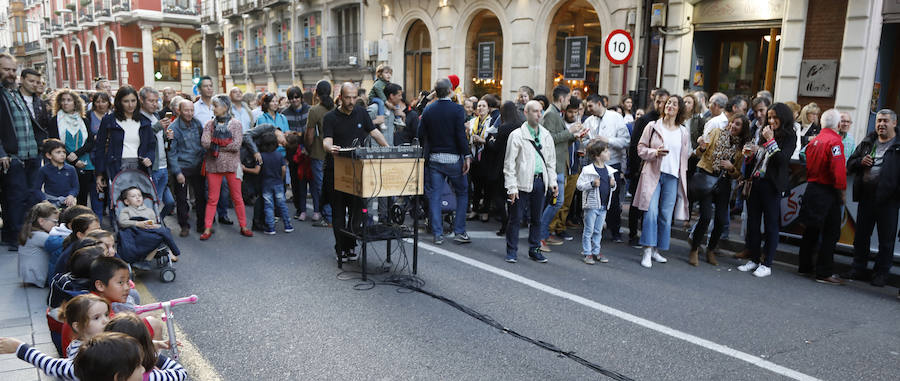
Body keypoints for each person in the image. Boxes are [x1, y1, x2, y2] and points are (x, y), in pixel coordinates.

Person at [322, 82, 390, 260]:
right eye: (347, 98)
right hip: (336, 170)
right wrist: (330, 148)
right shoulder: (330, 117)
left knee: (357, 210)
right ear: (340, 98)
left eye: (354, 97)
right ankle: (340, 249)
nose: (351, 101)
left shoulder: (361, 112)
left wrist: (389, 149)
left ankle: (351, 245)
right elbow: (326, 140)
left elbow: (374, 132)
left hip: (358, 170)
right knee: (338, 212)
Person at [736, 103, 797, 278]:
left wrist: (770, 141)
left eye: (774, 117)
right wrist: (753, 154)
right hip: (756, 182)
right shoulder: (763, 132)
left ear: (783, 118)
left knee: (771, 224)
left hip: (772, 185)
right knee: (753, 223)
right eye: (769, 117)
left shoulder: (790, 135)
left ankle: (767, 263)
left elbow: (781, 160)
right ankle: (754, 258)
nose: (771, 121)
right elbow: (760, 158)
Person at [633, 95, 691, 268]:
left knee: (666, 216)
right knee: (651, 212)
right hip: (653, 174)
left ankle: (658, 250)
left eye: (674, 104)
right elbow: (640, 149)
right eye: (668, 103)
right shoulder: (652, 126)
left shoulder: (683, 132)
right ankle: (647, 250)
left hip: (673, 177)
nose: (670, 106)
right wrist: (654, 153)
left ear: (679, 109)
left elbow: (685, 157)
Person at [844, 109, 899, 287]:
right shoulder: (868, 141)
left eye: (885, 121)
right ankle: (858, 268)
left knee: (886, 240)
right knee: (861, 236)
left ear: (894, 124)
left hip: (889, 200)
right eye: (878, 121)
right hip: (866, 197)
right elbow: (850, 164)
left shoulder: (898, 146)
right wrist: (860, 162)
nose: (881, 124)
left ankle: (881, 273)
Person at [688, 114, 750, 266]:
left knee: (721, 220)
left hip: (724, 182)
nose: (733, 126)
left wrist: (731, 168)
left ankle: (710, 250)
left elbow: (738, 174)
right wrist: (701, 148)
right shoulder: (716, 132)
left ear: (743, 129)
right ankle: (694, 249)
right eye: (732, 122)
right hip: (706, 177)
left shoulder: (741, 147)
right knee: (705, 216)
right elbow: (696, 154)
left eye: (738, 125)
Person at [418, 78, 472, 245]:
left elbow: (420, 134)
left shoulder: (429, 109)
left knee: (435, 195)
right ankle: (459, 231)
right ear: (450, 91)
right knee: (462, 192)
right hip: (453, 158)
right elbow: (460, 136)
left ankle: (437, 233)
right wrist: (467, 155)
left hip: (434, 158)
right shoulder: (457, 110)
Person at [503, 100, 558, 263]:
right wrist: (511, 187)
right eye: (535, 111)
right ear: (526, 113)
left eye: (540, 111)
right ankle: (511, 251)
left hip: (540, 181)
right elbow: (509, 164)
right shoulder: (517, 135)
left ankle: (534, 249)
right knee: (515, 218)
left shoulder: (546, 135)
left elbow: (551, 162)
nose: (539, 114)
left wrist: (552, 182)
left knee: (537, 219)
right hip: (520, 183)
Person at [797, 109, 847, 284]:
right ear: (838, 124)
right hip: (827, 191)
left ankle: (804, 266)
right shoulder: (835, 142)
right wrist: (841, 192)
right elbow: (838, 171)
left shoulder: (815, 140)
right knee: (831, 233)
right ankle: (824, 272)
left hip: (812, 188)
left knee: (811, 230)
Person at [0, 53, 44, 250]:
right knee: (15, 199)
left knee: (28, 197)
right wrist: (2, 152)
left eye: (13, 70)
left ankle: (24, 234)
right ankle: (15, 238)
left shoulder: (13, 92)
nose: (11, 74)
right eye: (6, 69)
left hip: (31, 154)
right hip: (13, 156)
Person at [199, 95, 251, 240]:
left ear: (225, 107)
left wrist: (215, 145)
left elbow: (236, 145)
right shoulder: (209, 124)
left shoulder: (236, 124)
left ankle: (244, 225)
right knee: (212, 198)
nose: (213, 108)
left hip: (232, 166)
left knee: (237, 197)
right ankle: (207, 227)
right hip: (213, 166)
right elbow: (204, 143)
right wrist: (224, 144)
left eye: (216, 106)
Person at [93, 86, 156, 204]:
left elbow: (151, 146)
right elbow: (100, 147)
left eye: (133, 101)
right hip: (116, 165)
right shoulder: (109, 120)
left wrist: (149, 158)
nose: (130, 105)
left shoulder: (144, 121)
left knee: (139, 202)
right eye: (126, 101)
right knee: (118, 202)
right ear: (119, 102)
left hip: (139, 166)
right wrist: (99, 173)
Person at [539, 85, 584, 250]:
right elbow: (548, 138)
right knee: (556, 203)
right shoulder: (551, 114)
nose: (569, 101)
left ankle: (543, 234)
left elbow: (560, 140)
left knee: (556, 202)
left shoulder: (555, 113)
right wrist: (570, 131)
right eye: (568, 98)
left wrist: (574, 136)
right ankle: (540, 237)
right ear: (561, 99)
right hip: (554, 166)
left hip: (559, 165)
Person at [581, 94, 630, 243]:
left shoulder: (615, 118)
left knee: (612, 199)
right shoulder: (589, 120)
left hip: (611, 163)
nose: (588, 109)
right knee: (593, 197)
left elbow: (625, 141)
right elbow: (584, 140)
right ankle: (593, 229)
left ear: (599, 104)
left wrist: (607, 140)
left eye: (590, 106)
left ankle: (615, 230)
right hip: (594, 164)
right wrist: (590, 143)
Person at [626, 88, 669, 247]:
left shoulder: (669, 122)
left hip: (660, 168)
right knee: (637, 203)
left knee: (651, 204)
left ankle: (647, 234)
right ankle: (632, 234)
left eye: (664, 102)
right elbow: (635, 145)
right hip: (642, 167)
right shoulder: (645, 120)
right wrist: (634, 168)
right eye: (658, 101)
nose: (661, 105)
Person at [48, 89, 97, 211]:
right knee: (64, 199)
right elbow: (54, 143)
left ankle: (80, 223)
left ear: (75, 103)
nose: (65, 103)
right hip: (62, 163)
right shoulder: (55, 121)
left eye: (69, 100)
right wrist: (72, 159)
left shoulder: (84, 120)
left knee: (82, 199)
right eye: (63, 100)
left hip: (84, 163)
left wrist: (77, 155)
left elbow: (90, 142)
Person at [167, 100, 207, 237]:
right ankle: (184, 225)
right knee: (182, 199)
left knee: (201, 197)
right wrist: (177, 172)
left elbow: (202, 142)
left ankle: (202, 225)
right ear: (179, 110)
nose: (189, 113)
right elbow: (171, 153)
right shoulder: (174, 127)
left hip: (198, 165)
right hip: (182, 166)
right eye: (186, 110)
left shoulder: (197, 123)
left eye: (191, 110)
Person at [576, 141, 617, 265]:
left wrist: (613, 184)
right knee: (589, 230)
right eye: (605, 151)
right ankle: (587, 252)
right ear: (597, 155)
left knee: (598, 230)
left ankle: (596, 251)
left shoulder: (609, 170)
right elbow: (579, 185)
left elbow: (612, 187)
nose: (608, 153)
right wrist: (591, 184)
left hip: (603, 205)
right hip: (591, 206)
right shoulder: (588, 170)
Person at [485, 102, 522, 236]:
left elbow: (496, 147)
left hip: (501, 164)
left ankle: (505, 223)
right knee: (513, 196)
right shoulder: (521, 126)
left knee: (498, 195)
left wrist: (490, 140)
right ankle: (513, 223)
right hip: (517, 165)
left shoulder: (504, 127)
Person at [137, 87, 174, 218]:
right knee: (154, 201)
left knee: (169, 203)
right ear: (141, 100)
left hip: (164, 165)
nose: (155, 104)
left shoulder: (156, 115)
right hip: (153, 167)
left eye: (156, 100)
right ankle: (154, 226)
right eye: (151, 101)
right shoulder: (139, 118)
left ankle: (158, 221)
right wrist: (158, 126)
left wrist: (167, 136)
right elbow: (141, 138)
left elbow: (159, 138)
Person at [305, 81, 334, 226]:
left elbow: (309, 134)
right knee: (334, 184)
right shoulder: (336, 108)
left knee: (321, 185)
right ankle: (333, 215)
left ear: (316, 92)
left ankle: (328, 216)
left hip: (319, 152)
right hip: (335, 152)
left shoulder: (314, 110)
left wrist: (309, 148)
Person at [467, 95, 498, 222]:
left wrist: (483, 140)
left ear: (488, 108)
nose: (480, 108)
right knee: (476, 185)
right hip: (475, 157)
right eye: (479, 106)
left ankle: (485, 210)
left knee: (487, 186)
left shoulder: (492, 121)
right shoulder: (473, 121)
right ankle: (474, 209)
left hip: (486, 156)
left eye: (483, 106)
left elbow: (493, 139)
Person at [258, 133, 294, 234]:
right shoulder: (279, 155)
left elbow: (258, 170)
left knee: (268, 206)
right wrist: (281, 178)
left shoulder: (262, 156)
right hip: (278, 182)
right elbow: (283, 169)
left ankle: (270, 227)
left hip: (266, 183)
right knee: (282, 204)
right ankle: (287, 225)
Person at [18, 202, 58, 287]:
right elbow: (60, 243)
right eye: (54, 222)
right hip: (38, 278)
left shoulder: (31, 232)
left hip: (30, 277)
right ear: (41, 221)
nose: (56, 225)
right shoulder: (39, 236)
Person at [59, 293, 111, 358]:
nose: (106, 320)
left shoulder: (103, 340)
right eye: (96, 318)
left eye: (106, 315)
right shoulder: (79, 352)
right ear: (77, 327)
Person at [35, 139, 79, 208]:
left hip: (68, 202)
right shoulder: (44, 170)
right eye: (58, 152)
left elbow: (75, 187)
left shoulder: (71, 169)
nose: (62, 155)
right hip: (50, 202)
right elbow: (37, 189)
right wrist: (44, 200)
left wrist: (71, 195)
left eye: (64, 152)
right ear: (49, 155)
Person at [18, 68, 51, 141]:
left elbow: (45, 125)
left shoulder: (40, 103)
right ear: (22, 79)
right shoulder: (13, 99)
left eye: (37, 82)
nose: (35, 85)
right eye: (31, 81)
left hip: (37, 145)